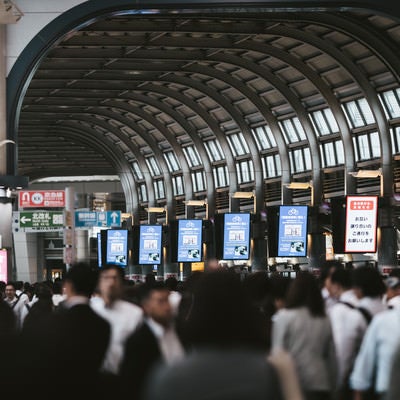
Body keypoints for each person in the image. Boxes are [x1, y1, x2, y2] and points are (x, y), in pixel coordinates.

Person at [271, 271, 337, 400]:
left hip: (292, 381)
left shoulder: (283, 317)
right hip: (320, 382)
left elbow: (277, 353)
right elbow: (331, 357)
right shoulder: (324, 318)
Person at [119, 281, 184, 398]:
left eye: (168, 300)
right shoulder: (138, 342)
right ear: (146, 306)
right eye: (160, 301)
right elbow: (131, 385)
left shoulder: (181, 331)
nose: (167, 307)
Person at [90, 264, 143, 375]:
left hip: (125, 375)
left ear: (121, 283)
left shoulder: (135, 313)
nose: (111, 283)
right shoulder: (90, 310)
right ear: (99, 283)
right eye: (106, 278)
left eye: (115, 278)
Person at [327, 268, 362, 399]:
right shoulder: (361, 302)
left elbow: (341, 350)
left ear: (337, 285)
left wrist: (339, 382)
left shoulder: (339, 310)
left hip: (349, 376)